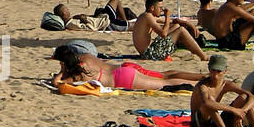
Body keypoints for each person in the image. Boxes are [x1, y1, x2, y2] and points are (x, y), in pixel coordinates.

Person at [189, 55, 254, 127]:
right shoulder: (202, 86)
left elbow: (253, 98)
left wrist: (242, 112)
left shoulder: (226, 84)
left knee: (244, 98)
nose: (215, 76)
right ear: (209, 69)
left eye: (219, 71)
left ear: (225, 71)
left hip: (216, 124)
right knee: (210, 102)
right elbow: (207, 103)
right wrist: (234, 110)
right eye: (213, 71)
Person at [51, 45, 204, 91]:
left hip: (123, 78)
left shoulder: (79, 75)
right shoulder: (86, 57)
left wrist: (62, 71)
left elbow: (57, 83)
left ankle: (202, 85)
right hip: (126, 67)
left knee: (166, 84)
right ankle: (202, 77)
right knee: (165, 75)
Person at [133, 0, 208, 61]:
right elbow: (163, 34)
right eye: (160, 8)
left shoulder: (147, 16)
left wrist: (187, 23)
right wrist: (167, 16)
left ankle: (194, 48)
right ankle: (203, 56)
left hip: (149, 51)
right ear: (152, 8)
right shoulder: (148, 16)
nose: (161, 10)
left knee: (177, 26)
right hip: (148, 54)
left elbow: (172, 21)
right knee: (181, 30)